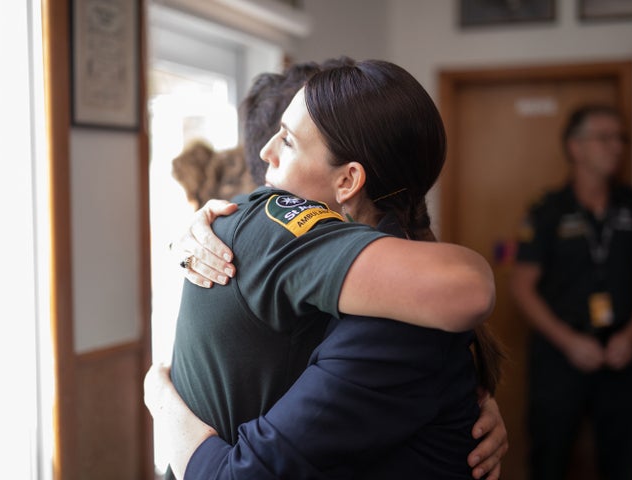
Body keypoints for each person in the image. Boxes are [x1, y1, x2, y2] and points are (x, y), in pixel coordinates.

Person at [148, 59, 506, 479]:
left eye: (288, 141)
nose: (266, 153)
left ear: (348, 180)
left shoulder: (400, 321)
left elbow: (237, 475)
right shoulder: (348, 287)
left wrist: (159, 396)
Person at [510, 104, 632, 479]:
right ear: (575, 147)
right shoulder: (547, 211)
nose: (616, 146)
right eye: (604, 137)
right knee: (549, 457)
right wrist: (569, 341)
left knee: (623, 460)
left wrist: (631, 336)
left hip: (623, 355)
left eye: (620, 138)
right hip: (561, 355)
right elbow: (522, 287)